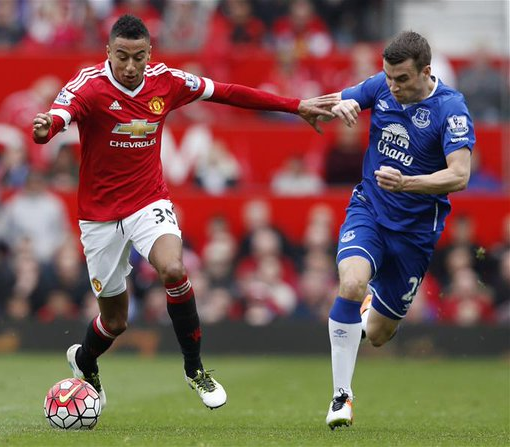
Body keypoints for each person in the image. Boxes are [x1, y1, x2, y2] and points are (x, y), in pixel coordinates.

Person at [31, 14, 337, 413]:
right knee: (115, 322)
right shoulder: (90, 86)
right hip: (99, 216)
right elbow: (61, 112)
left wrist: (294, 106)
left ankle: (195, 369)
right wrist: (47, 127)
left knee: (174, 270)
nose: (129, 66)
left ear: (149, 54)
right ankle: (85, 360)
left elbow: (226, 92)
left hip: (148, 202)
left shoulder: (167, 81)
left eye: (138, 57)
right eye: (121, 56)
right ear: (108, 52)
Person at [317, 31, 475, 429]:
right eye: (388, 77)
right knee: (351, 283)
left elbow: (459, 176)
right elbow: (346, 96)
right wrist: (348, 105)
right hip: (369, 209)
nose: (392, 87)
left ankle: (369, 310)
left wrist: (407, 183)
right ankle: (342, 397)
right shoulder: (383, 86)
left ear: (426, 71)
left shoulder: (451, 109)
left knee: (381, 333)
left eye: (401, 79)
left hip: (415, 233)